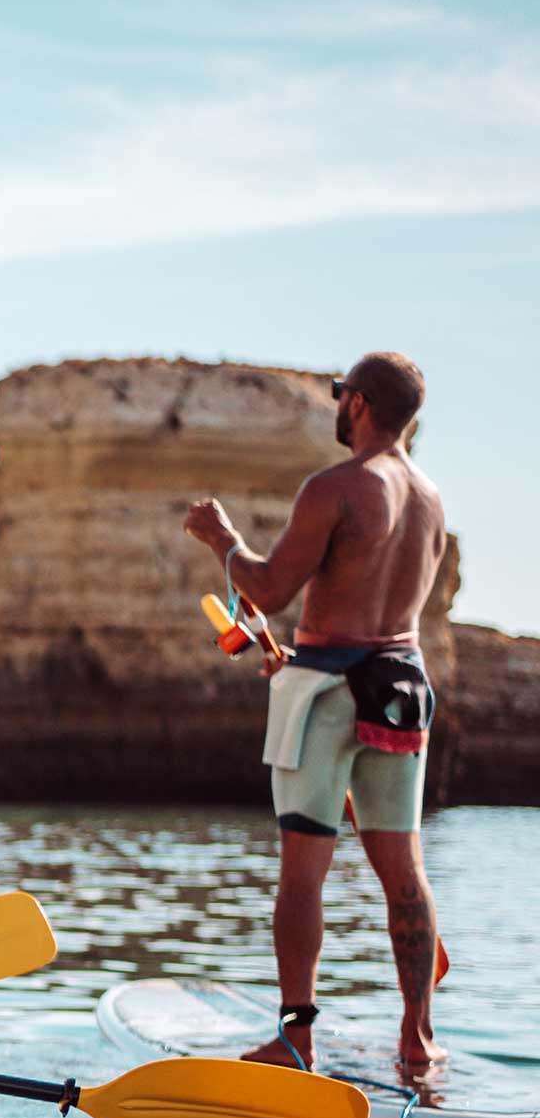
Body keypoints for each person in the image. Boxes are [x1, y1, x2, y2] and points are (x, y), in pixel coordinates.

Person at [184, 351, 447, 1075]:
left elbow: (267, 592)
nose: (336, 405)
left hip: (327, 696)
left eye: (339, 394)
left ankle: (296, 1036)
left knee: (303, 873)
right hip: (401, 693)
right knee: (405, 871)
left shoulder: (338, 487)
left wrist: (223, 541)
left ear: (358, 402)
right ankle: (417, 1039)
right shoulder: (429, 498)